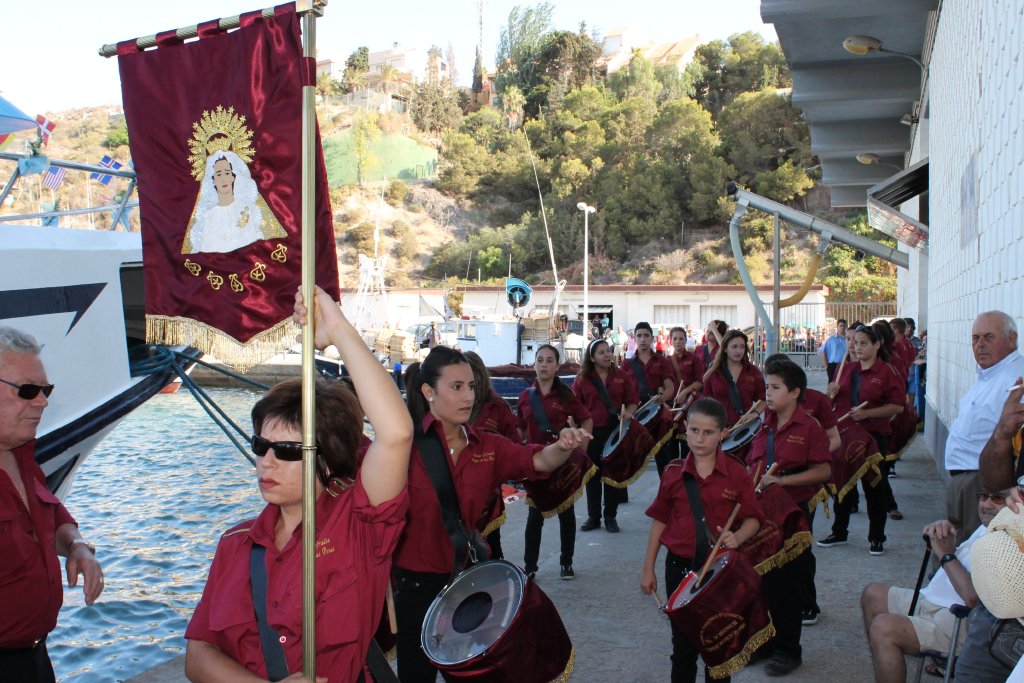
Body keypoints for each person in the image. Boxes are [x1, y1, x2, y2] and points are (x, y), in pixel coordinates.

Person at [185, 288, 411, 682]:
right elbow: (199, 655)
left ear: (327, 459)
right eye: (261, 446)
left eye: (288, 450)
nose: (266, 461)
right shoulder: (235, 545)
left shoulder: (359, 525)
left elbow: (396, 434)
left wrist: (337, 329)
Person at [393, 345, 589, 681]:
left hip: (464, 581)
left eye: (471, 386)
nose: (468, 396)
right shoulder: (403, 447)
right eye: (457, 387)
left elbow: (538, 460)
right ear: (428, 392)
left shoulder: (488, 446)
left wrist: (562, 445)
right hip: (412, 588)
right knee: (415, 677)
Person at [0, 327, 104, 683]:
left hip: (35, 660)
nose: (42, 402)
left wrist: (76, 545)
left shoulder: (21, 454)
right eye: (28, 391)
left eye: (46, 390)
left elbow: (50, 513)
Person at [639, 397, 763, 683]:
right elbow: (659, 521)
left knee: (718, 649)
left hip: (720, 573)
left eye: (708, 432)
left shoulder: (736, 473)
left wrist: (738, 536)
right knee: (683, 648)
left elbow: (754, 519)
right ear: (685, 427)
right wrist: (648, 569)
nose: (699, 439)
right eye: (694, 430)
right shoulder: (673, 473)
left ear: (723, 433)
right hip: (679, 569)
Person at [859, 486, 1010, 683]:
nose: (986, 504)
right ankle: (887, 662)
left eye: (997, 499)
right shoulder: (987, 527)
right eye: (983, 496)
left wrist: (946, 554)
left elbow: (973, 599)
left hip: (959, 619)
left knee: (883, 628)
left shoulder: (1009, 539)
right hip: (934, 601)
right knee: (873, 594)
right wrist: (944, 539)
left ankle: (897, 653)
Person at [747, 359, 831, 660]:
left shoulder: (809, 427)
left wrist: (782, 481)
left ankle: (788, 649)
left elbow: (823, 471)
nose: (768, 393)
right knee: (763, 580)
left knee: (788, 582)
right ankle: (766, 642)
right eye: (766, 387)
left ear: (795, 392)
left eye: (775, 388)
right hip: (762, 512)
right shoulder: (764, 424)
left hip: (793, 512)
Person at [819, 323, 903, 555]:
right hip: (846, 434)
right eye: (855, 343)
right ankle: (839, 531)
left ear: (877, 345)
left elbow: (897, 406)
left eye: (863, 343)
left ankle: (876, 537)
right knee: (843, 484)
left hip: (873, 436)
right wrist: (831, 392)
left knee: (874, 487)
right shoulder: (845, 369)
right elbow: (833, 403)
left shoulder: (886, 372)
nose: (857, 347)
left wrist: (867, 413)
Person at [943, 311, 1023, 544]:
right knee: (959, 548)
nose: (980, 345)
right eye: (975, 338)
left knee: (975, 552)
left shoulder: (1017, 377)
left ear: (1012, 339)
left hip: (984, 485)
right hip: (963, 479)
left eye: (989, 337)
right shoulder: (989, 375)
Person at [518, 344, 593, 580]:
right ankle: (530, 567)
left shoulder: (566, 395)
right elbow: (520, 430)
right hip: (536, 464)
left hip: (561, 463)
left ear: (557, 366)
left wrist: (580, 454)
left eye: (549, 360)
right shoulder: (525, 397)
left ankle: (566, 563)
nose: (544, 365)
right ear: (534, 365)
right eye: (540, 360)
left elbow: (586, 420)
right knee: (534, 518)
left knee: (566, 514)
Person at [573, 338, 639, 533]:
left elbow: (633, 401)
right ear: (592, 358)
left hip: (614, 430)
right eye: (601, 352)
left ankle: (610, 516)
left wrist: (628, 414)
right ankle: (593, 517)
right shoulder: (582, 379)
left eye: (608, 351)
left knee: (612, 475)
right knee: (592, 475)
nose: (607, 355)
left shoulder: (620, 375)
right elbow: (574, 405)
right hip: (591, 433)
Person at [464, 351, 519, 560]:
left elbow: (513, 448)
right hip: (458, 492)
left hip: (487, 494)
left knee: (492, 548)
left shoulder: (499, 407)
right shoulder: (454, 404)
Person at [183, 150, 286, 254]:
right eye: (219, 174)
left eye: (227, 173)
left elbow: (256, 245)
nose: (223, 179)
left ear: (233, 177)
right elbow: (206, 252)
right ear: (213, 180)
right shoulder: (208, 217)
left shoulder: (248, 210)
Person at [702, 330, 765, 428]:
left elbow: (763, 399)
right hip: (718, 428)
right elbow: (706, 403)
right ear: (725, 349)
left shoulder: (753, 371)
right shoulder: (713, 372)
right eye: (734, 347)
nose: (738, 351)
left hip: (745, 428)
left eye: (742, 347)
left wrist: (755, 413)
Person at [666, 326, 707, 464]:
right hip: (671, 408)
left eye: (681, 338)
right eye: (675, 338)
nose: (678, 341)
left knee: (687, 446)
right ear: (670, 340)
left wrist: (684, 392)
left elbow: (699, 382)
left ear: (685, 340)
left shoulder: (694, 359)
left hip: (689, 405)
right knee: (670, 448)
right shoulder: (665, 361)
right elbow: (661, 384)